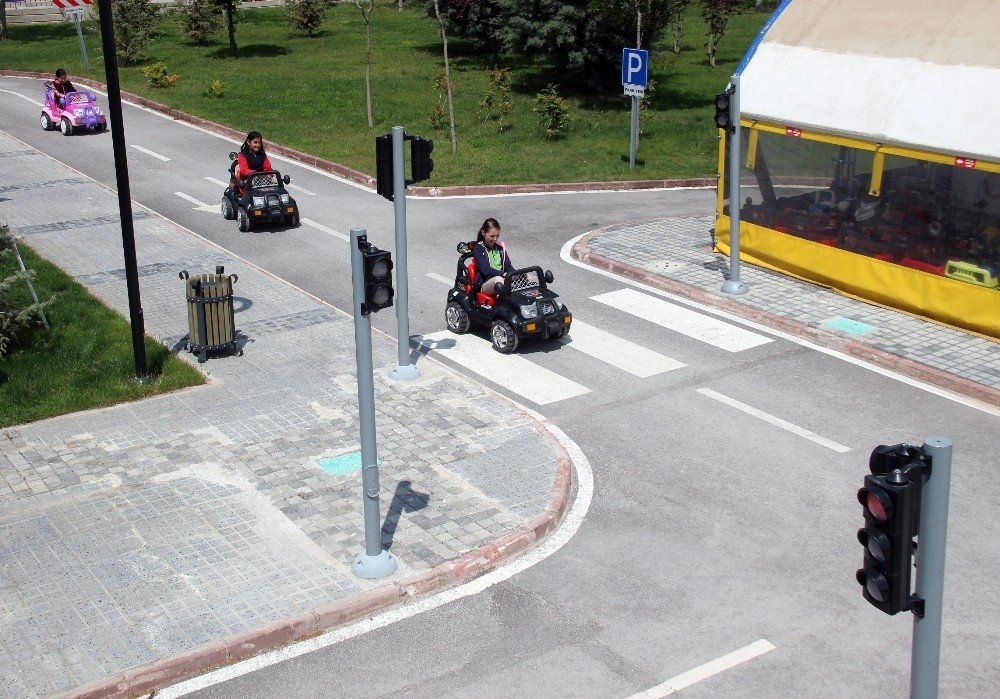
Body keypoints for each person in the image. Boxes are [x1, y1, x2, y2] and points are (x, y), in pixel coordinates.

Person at [472, 218, 514, 295]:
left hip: (503, 278)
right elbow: (486, 270)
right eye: (492, 236)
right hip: (486, 282)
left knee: (527, 277)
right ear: (483, 233)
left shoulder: (500, 248)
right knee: (499, 280)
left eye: (497, 235)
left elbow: (508, 266)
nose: (495, 239)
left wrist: (516, 275)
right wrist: (503, 274)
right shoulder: (478, 249)